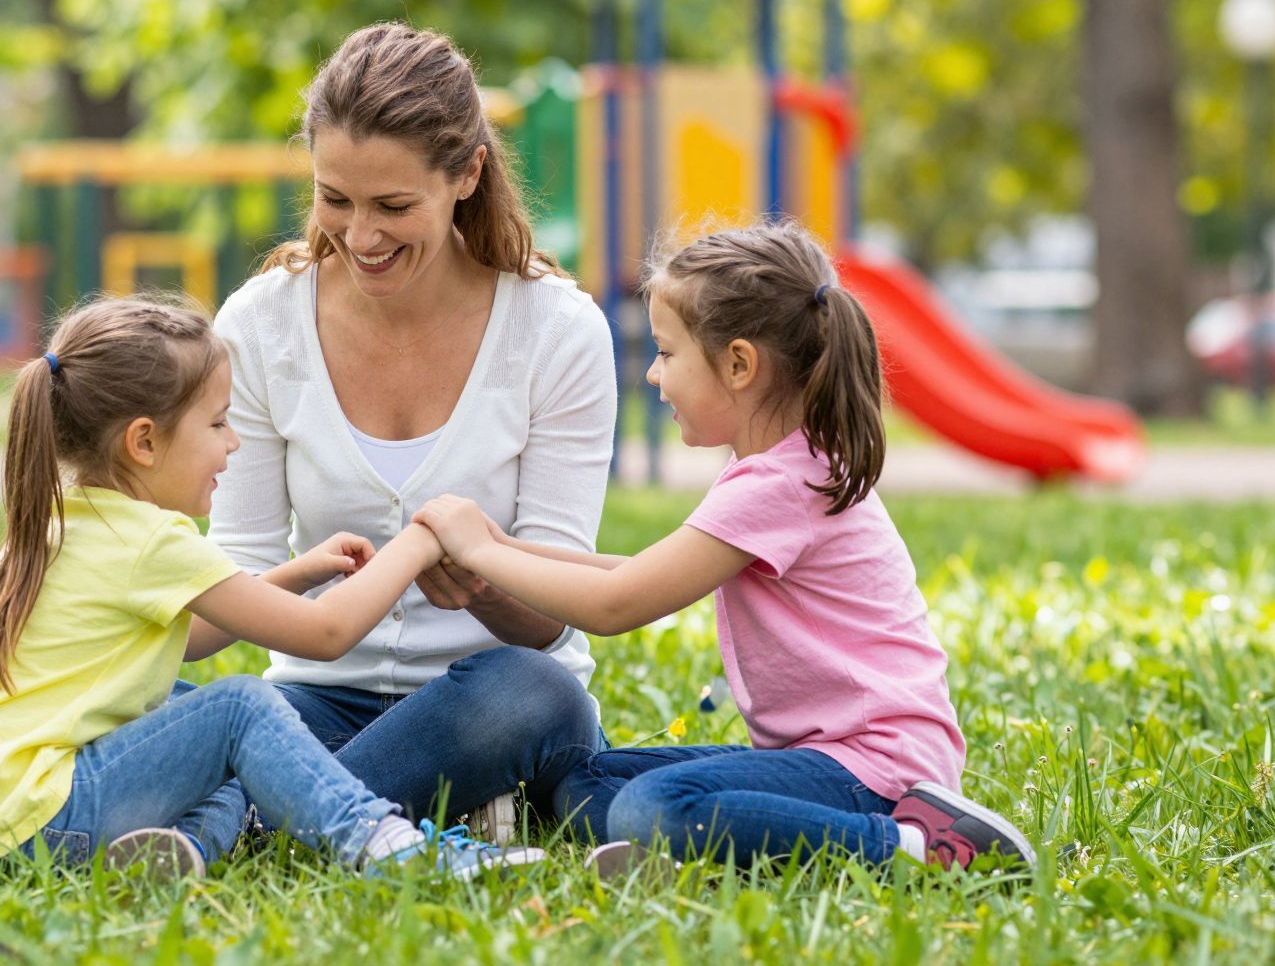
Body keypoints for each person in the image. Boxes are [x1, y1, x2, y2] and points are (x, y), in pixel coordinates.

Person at [0, 297, 542, 880]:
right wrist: (421, 538)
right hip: (43, 820)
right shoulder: (150, 542)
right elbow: (326, 637)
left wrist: (295, 572)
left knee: (198, 719)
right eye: (219, 423)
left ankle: (172, 852)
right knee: (243, 710)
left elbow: (184, 640)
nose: (233, 443)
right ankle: (387, 847)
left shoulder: (59, 519)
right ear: (143, 442)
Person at [410, 220, 1035, 872]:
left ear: (738, 364)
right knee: (588, 784)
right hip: (815, 757)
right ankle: (707, 854)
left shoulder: (779, 482)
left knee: (652, 808)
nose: (653, 375)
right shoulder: (777, 466)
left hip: (880, 767)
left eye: (666, 353)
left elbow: (615, 604)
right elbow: (643, 572)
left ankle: (918, 847)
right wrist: (502, 545)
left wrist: (480, 555)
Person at [196, 22, 618, 845]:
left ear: (466, 173)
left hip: (488, 699)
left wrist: (486, 581)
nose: (360, 237)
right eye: (335, 199)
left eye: (393, 206)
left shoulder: (556, 330)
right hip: (315, 698)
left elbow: (554, 618)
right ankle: (417, 803)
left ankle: (251, 818)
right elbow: (238, 566)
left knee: (537, 695)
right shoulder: (259, 325)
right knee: (192, 710)